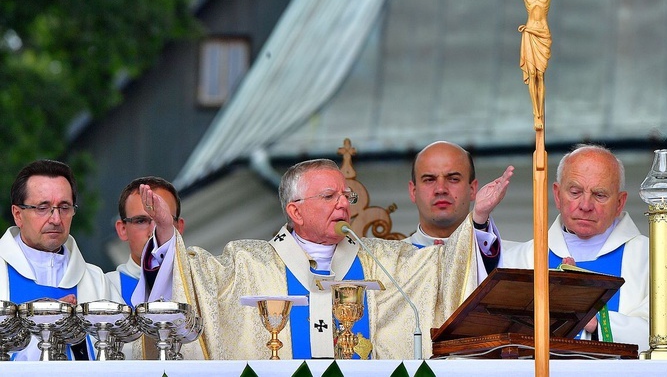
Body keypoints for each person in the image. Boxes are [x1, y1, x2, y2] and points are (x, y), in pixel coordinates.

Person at [133, 159, 490, 360]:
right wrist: (165, 231)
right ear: (296, 211)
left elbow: (445, 270)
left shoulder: (385, 261)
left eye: (345, 195)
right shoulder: (247, 263)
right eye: (329, 195)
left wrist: (477, 221)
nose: (343, 203)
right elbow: (192, 279)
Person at [502, 144, 667, 352]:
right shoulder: (522, 260)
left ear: (620, 203)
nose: (585, 205)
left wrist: (596, 322)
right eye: (575, 192)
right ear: (557, 195)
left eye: (600, 195)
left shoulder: (654, 260)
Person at [0, 159, 125, 360]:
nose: (56, 219)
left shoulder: (96, 281)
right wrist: (44, 326)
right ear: (18, 214)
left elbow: (124, 355)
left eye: (64, 207)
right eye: (43, 207)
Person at [470, 0, 606, 130]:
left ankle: (541, 111)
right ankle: (537, 114)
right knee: (532, 73)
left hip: (542, 35)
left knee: (540, 75)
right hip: (528, 33)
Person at [406, 141, 514, 269]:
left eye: (453, 179)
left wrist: (480, 221)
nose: (441, 189)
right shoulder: (387, 262)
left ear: (472, 189)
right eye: (429, 179)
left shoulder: (515, 259)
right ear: (413, 192)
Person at [106, 176, 184, 306]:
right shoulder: (105, 289)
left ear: (179, 227)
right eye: (141, 221)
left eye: (163, 220)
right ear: (122, 229)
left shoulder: (198, 285)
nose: (153, 231)